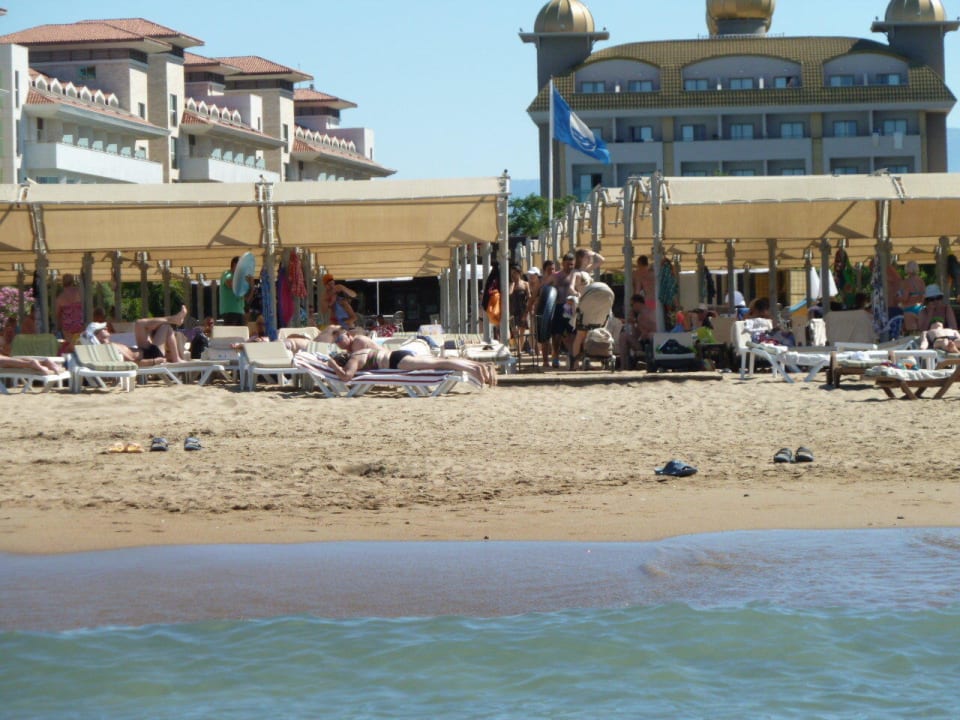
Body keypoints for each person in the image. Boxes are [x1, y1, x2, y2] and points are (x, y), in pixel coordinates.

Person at [328, 328, 496, 387]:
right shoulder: (356, 353)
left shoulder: (354, 356)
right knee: (438, 362)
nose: (338, 343)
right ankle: (477, 366)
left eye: (339, 339)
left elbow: (346, 376)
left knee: (440, 363)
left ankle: (475, 368)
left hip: (396, 361)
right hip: (397, 356)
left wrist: (333, 366)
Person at [87, 305, 189, 366]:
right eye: (102, 328)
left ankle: (174, 319)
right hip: (151, 355)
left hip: (143, 349)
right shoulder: (109, 349)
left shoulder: (109, 345)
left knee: (139, 323)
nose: (106, 327)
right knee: (165, 327)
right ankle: (176, 358)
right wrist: (154, 361)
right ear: (97, 336)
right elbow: (134, 363)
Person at [220, 257, 252, 327]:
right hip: (230, 311)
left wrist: (251, 286)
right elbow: (230, 284)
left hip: (240, 311)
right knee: (231, 335)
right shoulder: (227, 274)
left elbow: (246, 297)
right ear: (234, 265)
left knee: (241, 336)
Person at [54, 274, 85, 347]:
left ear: (63, 283)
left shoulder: (60, 298)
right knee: (80, 345)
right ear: (72, 282)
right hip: (79, 323)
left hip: (67, 326)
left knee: (70, 345)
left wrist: (59, 326)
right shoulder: (79, 293)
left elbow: (57, 314)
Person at [617, 294, 645, 370]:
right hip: (641, 343)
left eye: (632, 305)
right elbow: (636, 335)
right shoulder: (638, 315)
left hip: (647, 344)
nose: (632, 307)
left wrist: (635, 322)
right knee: (623, 336)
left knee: (624, 336)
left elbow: (644, 333)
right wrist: (632, 324)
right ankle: (624, 365)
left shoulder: (645, 314)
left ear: (638, 303)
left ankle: (624, 366)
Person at [508, 264, 530, 352]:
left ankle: (519, 351)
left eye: (514, 273)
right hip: (513, 310)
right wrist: (513, 284)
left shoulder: (525, 284)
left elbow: (529, 297)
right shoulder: (511, 284)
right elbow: (509, 294)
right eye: (511, 273)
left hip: (523, 310)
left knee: (522, 332)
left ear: (519, 273)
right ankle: (518, 349)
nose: (512, 275)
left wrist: (527, 311)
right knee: (514, 331)